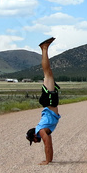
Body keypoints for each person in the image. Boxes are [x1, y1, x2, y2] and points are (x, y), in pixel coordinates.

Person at [25, 37, 60, 165]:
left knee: (47, 73)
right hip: (49, 103)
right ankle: (44, 48)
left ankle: (44, 48)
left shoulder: (41, 131)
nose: (35, 142)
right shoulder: (44, 131)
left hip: (49, 103)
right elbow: (49, 143)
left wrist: (47, 161)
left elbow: (47, 145)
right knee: (48, 74)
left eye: (33, 140)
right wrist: (50, 159)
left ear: (34, 136)